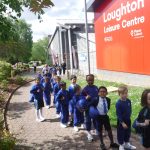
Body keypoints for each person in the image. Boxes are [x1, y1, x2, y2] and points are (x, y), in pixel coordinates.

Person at [116, 86, 136, 150]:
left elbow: (130, 109)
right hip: (121, 122)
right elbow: (118, 114)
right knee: (121, 133)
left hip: (128, 120)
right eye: (122, 94)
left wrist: (129, 116)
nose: (125, 95)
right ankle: (121, 145)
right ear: (119, 94)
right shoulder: (118, 103)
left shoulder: (128, 101)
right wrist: (122, 122)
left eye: (126, 93)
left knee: (128, 132)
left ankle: (127, 143)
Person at [82, 74, 99, 142]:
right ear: (86, 80)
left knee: (96, 119)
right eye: (89, 80)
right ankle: (89, 133)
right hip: (88, 108)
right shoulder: (85, 89)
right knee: (88, 120)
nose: (90, 81)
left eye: (92, 80)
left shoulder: (96, 88)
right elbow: (81, 97)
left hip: (95, 107)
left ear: (94, 80)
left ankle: (97, 129)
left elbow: (98, 95)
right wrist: (85, 98)